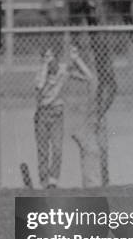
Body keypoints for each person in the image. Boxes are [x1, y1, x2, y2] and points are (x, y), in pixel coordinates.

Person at [34, 45, 94, 189]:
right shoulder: (40, 73)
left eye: (51, 57)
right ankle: (44, 182)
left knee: (57, 148)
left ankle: (53, 181)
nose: (49, 60)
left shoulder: (63, 70)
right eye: (46, 57)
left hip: (57, 114)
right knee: (43, 150)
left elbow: (88, 76)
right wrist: (44, 66)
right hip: (42, 114)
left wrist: (76, 59)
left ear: (56, 57)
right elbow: (40, 86)